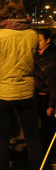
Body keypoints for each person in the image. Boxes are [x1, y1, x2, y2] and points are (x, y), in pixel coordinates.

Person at [0, 0, 43, 170]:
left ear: (1, 12)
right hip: (27, 93)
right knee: (33, 139)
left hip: (2, 95)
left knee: (2, 143)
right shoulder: (32, 35)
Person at [34, 29, 56, 165]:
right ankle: (43, 152)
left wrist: (52, 105)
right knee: (41, 126)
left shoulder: (51, 56)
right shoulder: (37, 54)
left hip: (48, 97)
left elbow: (54, 84)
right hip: (38, 95)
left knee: (49, 128)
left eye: (40, 40)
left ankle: (51, 156)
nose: (37, 43)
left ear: (48, 40)